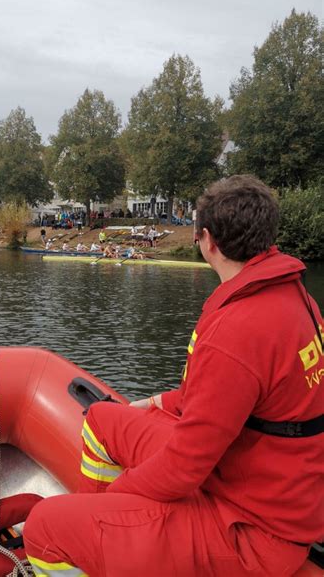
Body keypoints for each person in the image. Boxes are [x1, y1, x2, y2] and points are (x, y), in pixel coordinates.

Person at [24, 175, 324, 577]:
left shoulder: (238, 329)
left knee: (44, 527)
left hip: (252, 528)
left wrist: (120, 494)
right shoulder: (296, 298)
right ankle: (102, 543)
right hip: (249, 483)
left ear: (207, 241)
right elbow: (241, 397)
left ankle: (95, 530)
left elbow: (185, 469)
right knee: (101, 420)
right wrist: (161, 401)